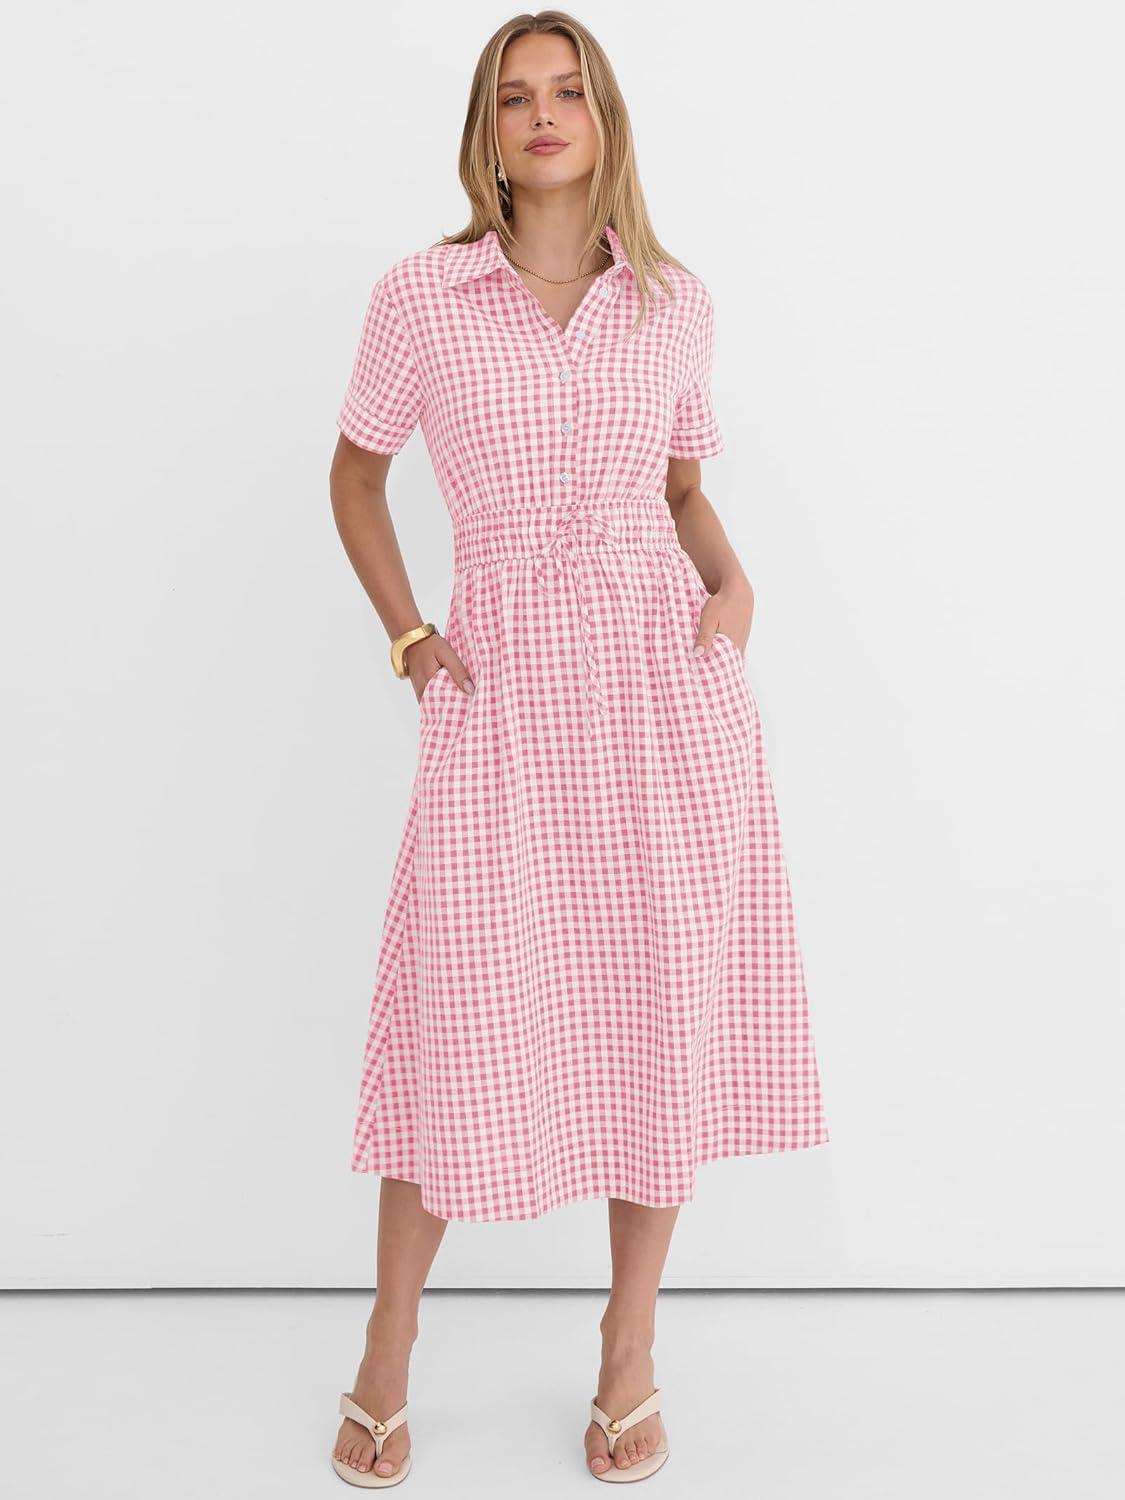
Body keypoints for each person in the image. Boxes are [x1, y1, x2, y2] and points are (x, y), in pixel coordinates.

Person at [327, 12, 829, 1488]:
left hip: (662, 695)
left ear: (603, 117)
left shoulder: (673, 302)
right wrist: (412, 639)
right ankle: (387, 1344)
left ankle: (628, 1351)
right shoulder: (421, 297)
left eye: (566, 90)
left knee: (657, 1013)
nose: (541, 113)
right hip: (502, 694)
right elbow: (354, 475)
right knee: (455, 1009)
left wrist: (734, 595)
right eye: (513, 95)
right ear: (485, 132)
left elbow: (679, 490)